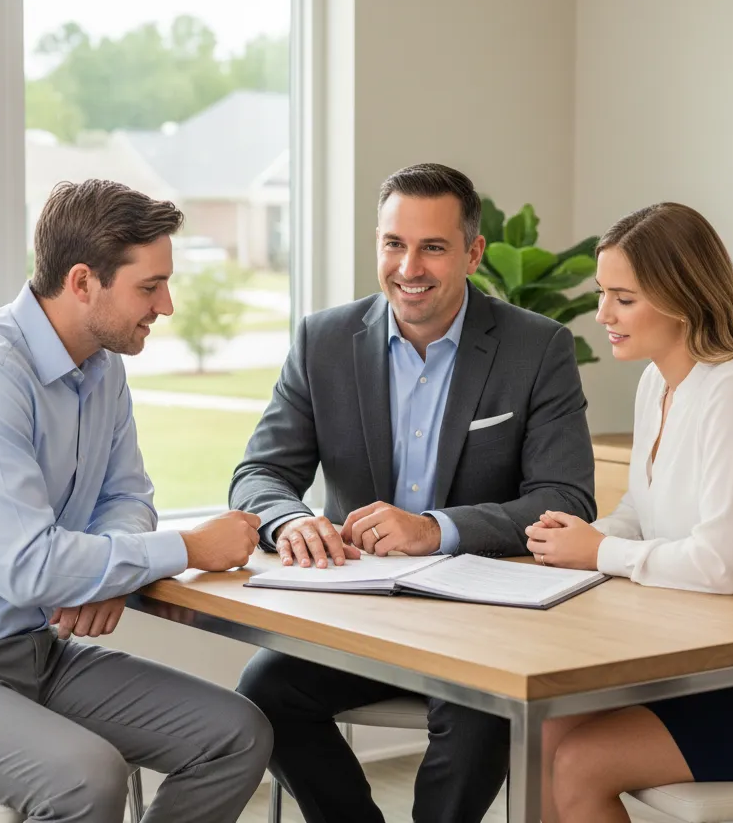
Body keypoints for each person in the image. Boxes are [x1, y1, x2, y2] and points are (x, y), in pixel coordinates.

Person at [0, 179, 272, 823]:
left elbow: (126, 498)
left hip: (31, 653)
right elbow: (30, 568)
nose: (167, 306)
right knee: (85, 779)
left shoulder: (102, 367)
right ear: (84, 281)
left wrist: (111, 570)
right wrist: (183, 549)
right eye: (150, 287)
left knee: (234, 734)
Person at [230, 162, 596, 823]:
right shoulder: (324, 342)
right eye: (394, 244)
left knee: (479, 714)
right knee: (263, 694)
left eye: (433, 246)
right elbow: (259, 474)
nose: (409, 267)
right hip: (362, 617)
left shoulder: (537, 349)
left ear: (473, 252)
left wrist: (436, 528)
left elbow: (564, 501)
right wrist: (288, 522)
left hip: (485, 626)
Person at [525, 202, 733, 823]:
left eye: (623, 298)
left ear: (680, 297)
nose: (602, 315)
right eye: (603, 294)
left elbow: (721, 567)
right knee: (542, 733)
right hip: (712, 655)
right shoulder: (658, 383)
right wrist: (584, 537)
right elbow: (642, 515)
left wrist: (600, 553)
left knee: (581, 763)